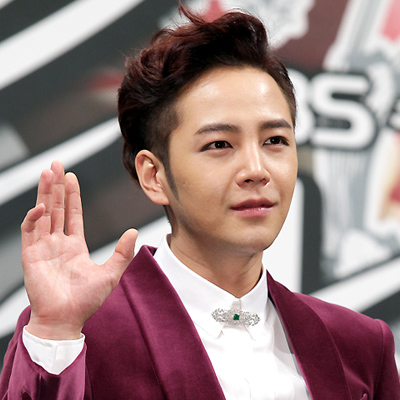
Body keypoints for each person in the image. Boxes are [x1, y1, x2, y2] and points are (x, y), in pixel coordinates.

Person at [0, 5, 399, 400]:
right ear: (154, 176)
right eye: (219, 144)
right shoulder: (76, 332)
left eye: (275, 140)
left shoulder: (359, 345)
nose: (256, 170)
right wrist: (56, 332)